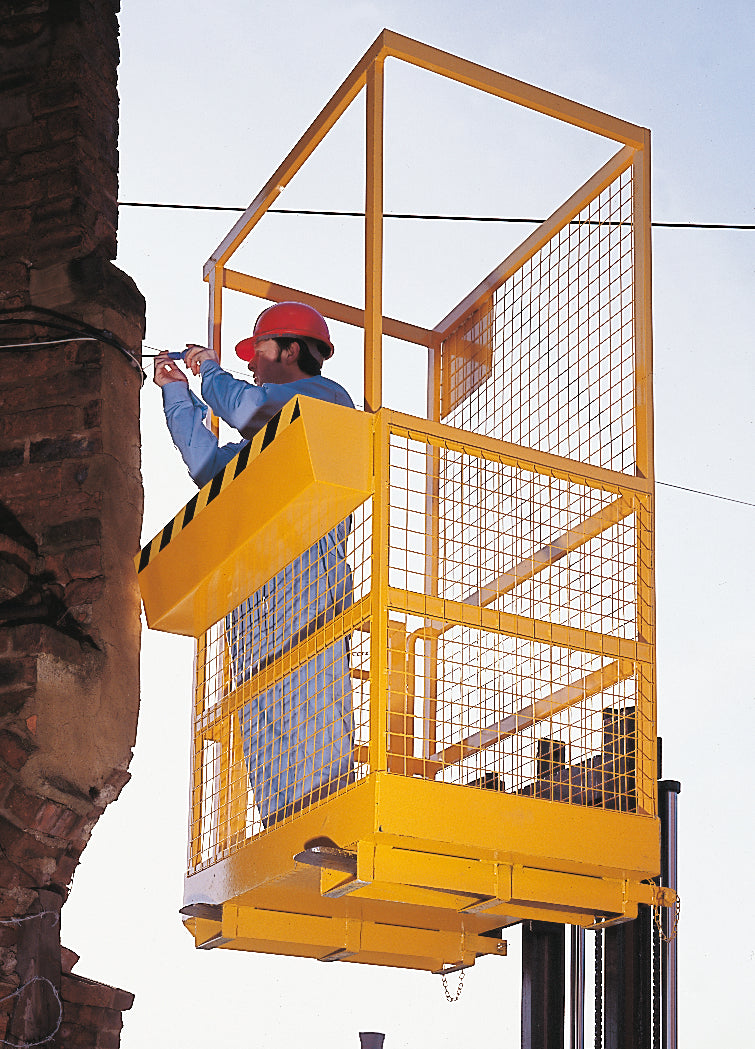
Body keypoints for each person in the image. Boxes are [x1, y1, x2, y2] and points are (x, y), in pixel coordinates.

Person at [154, 302, 355, 828]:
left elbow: (248, 408)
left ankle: (329, 822)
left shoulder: (324, 398)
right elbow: (207, 465)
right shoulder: (261, 447)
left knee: (312, 691)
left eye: (259, 350)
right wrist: (175, 393)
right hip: (255, 587)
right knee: (260, 708)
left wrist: (207, 368)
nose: (251, 363)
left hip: (307, 570)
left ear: (292, 350)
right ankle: (281, 827)